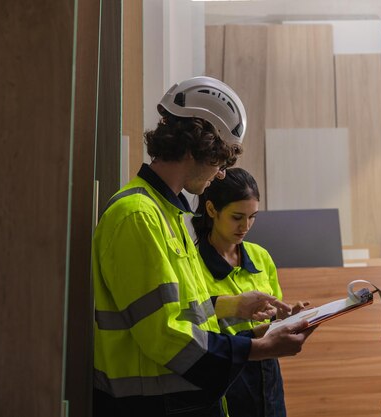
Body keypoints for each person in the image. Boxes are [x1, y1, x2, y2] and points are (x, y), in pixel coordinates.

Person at [92, 76, 313, 417]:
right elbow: (164, 335)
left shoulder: (170, 216)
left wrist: (247, 318)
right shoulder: (137, 215)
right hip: (152, 406)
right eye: (221, 160)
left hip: (179, 401)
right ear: (198, 145)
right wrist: (256, 348)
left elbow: (183, 315)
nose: (222, 174)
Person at [191, 167, 308, 417]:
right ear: (212, 210)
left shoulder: (260, 256)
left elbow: (272, 319)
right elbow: (194, 333)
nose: (245, 226)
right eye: (237, 217)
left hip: (268, 378)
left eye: (252, 216)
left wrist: (288, 319)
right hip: (225, 380)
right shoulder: (192, 264)